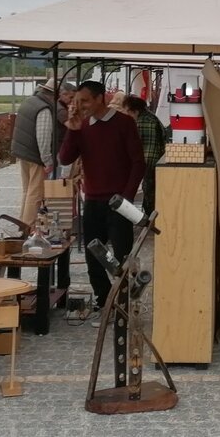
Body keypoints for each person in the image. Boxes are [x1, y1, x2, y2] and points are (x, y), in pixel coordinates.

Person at [59, 81, 146, 322]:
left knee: (122, 257)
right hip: (93, 201)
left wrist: (126, 198)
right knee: (93, 256)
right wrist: (72, 129)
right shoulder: (82, 126)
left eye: (85, 101)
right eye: (76, 101)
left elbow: (138, 162)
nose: (80, 106)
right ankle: (105, 302)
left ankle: (124, 304)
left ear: (100, 99)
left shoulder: (124, 123)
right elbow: (65, 158)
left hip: (118, 202)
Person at [10, 78, 74, 228]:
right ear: (54, 94)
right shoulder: (44, 108)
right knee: (36, 194)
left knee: (27, 191)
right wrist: (48, 161)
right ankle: (29, 227)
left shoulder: (30, 101)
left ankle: (22, 224)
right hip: (35, 155)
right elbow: (43, 138)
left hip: (23, 152)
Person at [120, 95, 167, 214]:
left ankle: (151, 219)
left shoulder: (145, 122)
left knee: (150, 192)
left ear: (134, 110)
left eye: (127, 112)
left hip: (150, 164)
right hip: (153, 163)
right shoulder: (149, 117)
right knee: (150, 191)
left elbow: (149, 150)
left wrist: (143, 169)